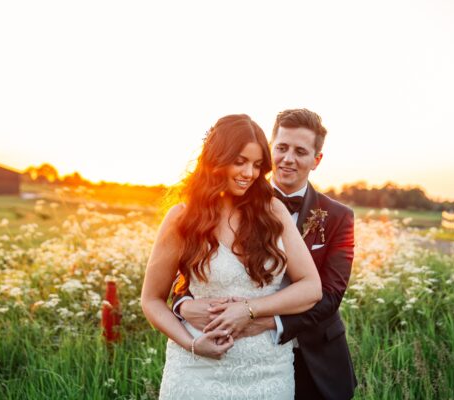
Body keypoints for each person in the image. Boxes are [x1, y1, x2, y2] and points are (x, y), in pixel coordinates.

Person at [174, 108, 357, 399]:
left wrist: (261, 319)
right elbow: (196, 271)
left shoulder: (338, 217)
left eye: (300, 151)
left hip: (314, 357)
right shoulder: (229, 205)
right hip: (232, 353)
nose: (288, 158)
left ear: (316, 160)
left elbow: (330, 295)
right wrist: (182, 305)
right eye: (281, 148)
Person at [140, 114, 322, 399]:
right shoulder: (182, 218)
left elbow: (311, 288)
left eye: (257, 164)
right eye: (240, 161)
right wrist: (191, 343)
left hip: (267, 373)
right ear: (216, 159)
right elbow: (151, 299)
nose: (249, 173)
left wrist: (249, 309)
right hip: (195, 370)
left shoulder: (273, 212)